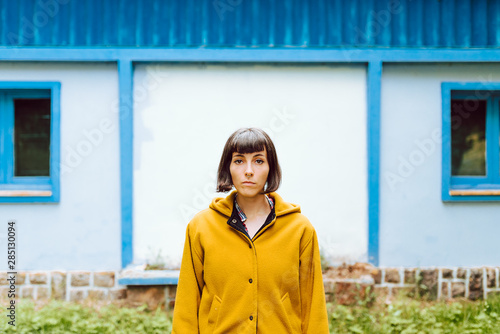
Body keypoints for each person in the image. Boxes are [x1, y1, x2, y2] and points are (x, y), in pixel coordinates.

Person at [172, 127, 329, 333]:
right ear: (227, 168)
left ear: (270, 168)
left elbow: (313, 304)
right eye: (239, 161)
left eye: (258, 160)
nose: (248, 171)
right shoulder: (201, 227)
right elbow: (187, 304)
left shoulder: (300, 229)